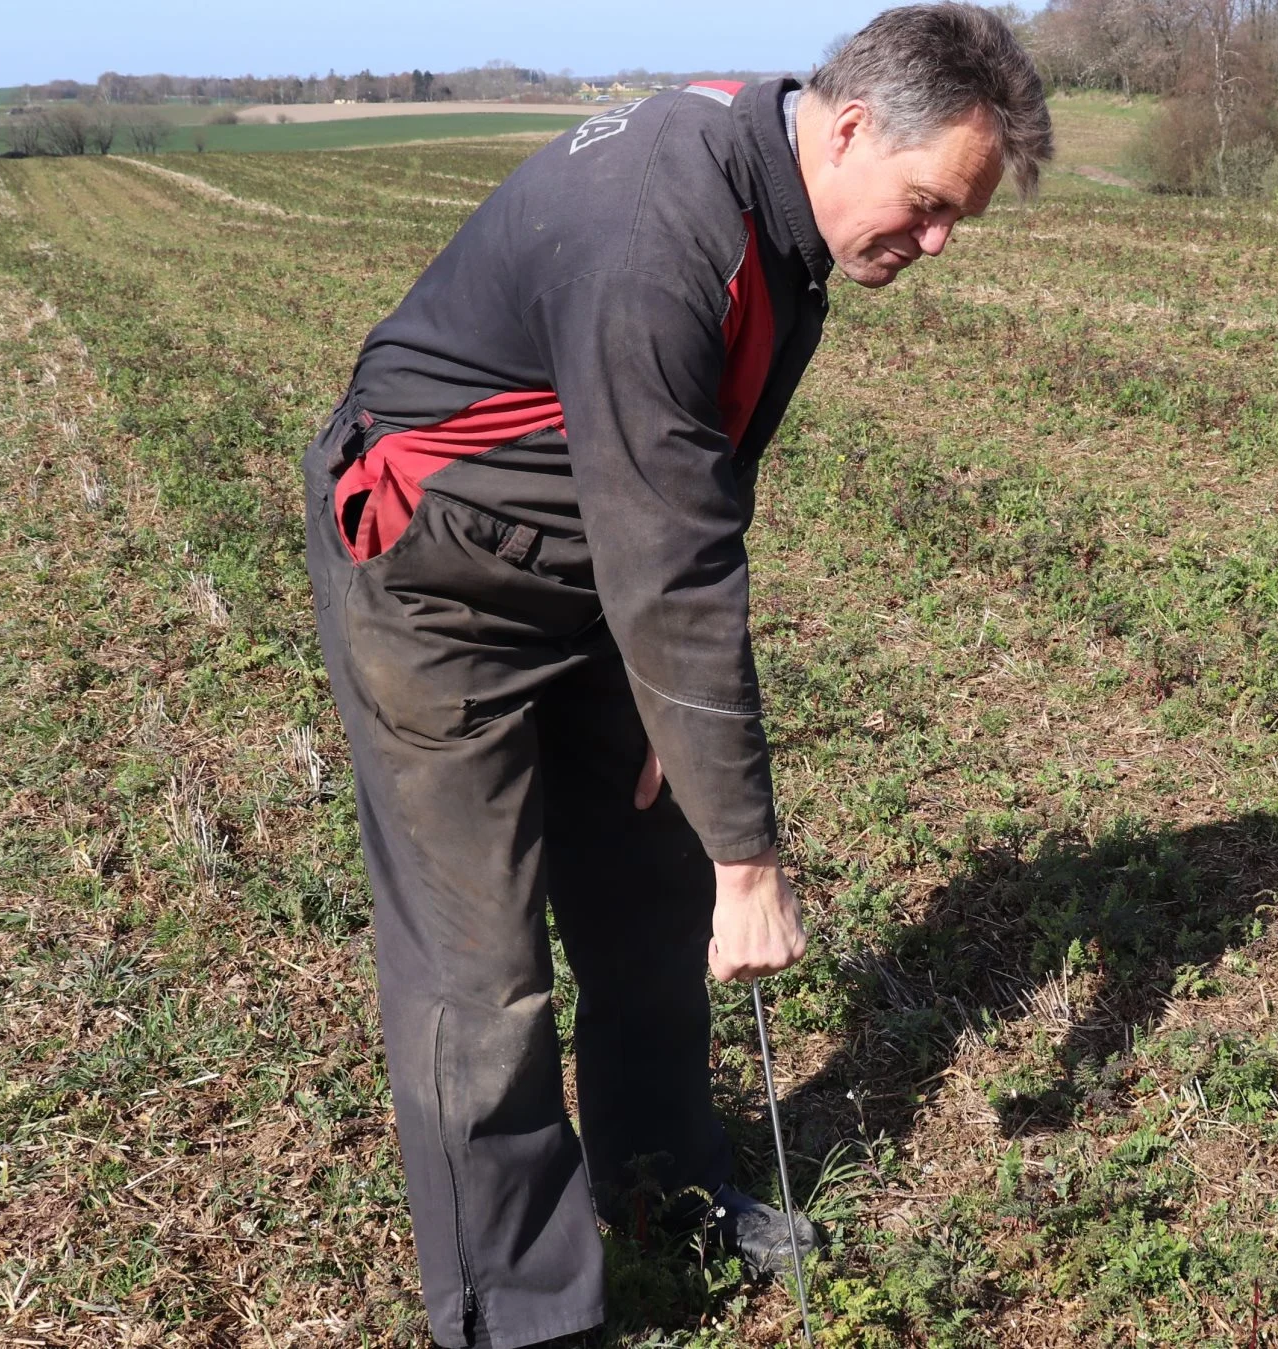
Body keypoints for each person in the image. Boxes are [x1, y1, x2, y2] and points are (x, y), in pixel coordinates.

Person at [299, 6, 1052, 1345]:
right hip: (438, 576)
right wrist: (753, 862)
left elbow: (701, 483)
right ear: (853, 126)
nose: (936, 243)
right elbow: (678, 562)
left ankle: (659, 1186)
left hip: (591, 546)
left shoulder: (790, 213)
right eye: (933, 206)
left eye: (959, 224)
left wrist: (670, 717)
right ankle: (524, 1317)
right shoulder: (661, 233)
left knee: (652, 901)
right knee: (480, 977)